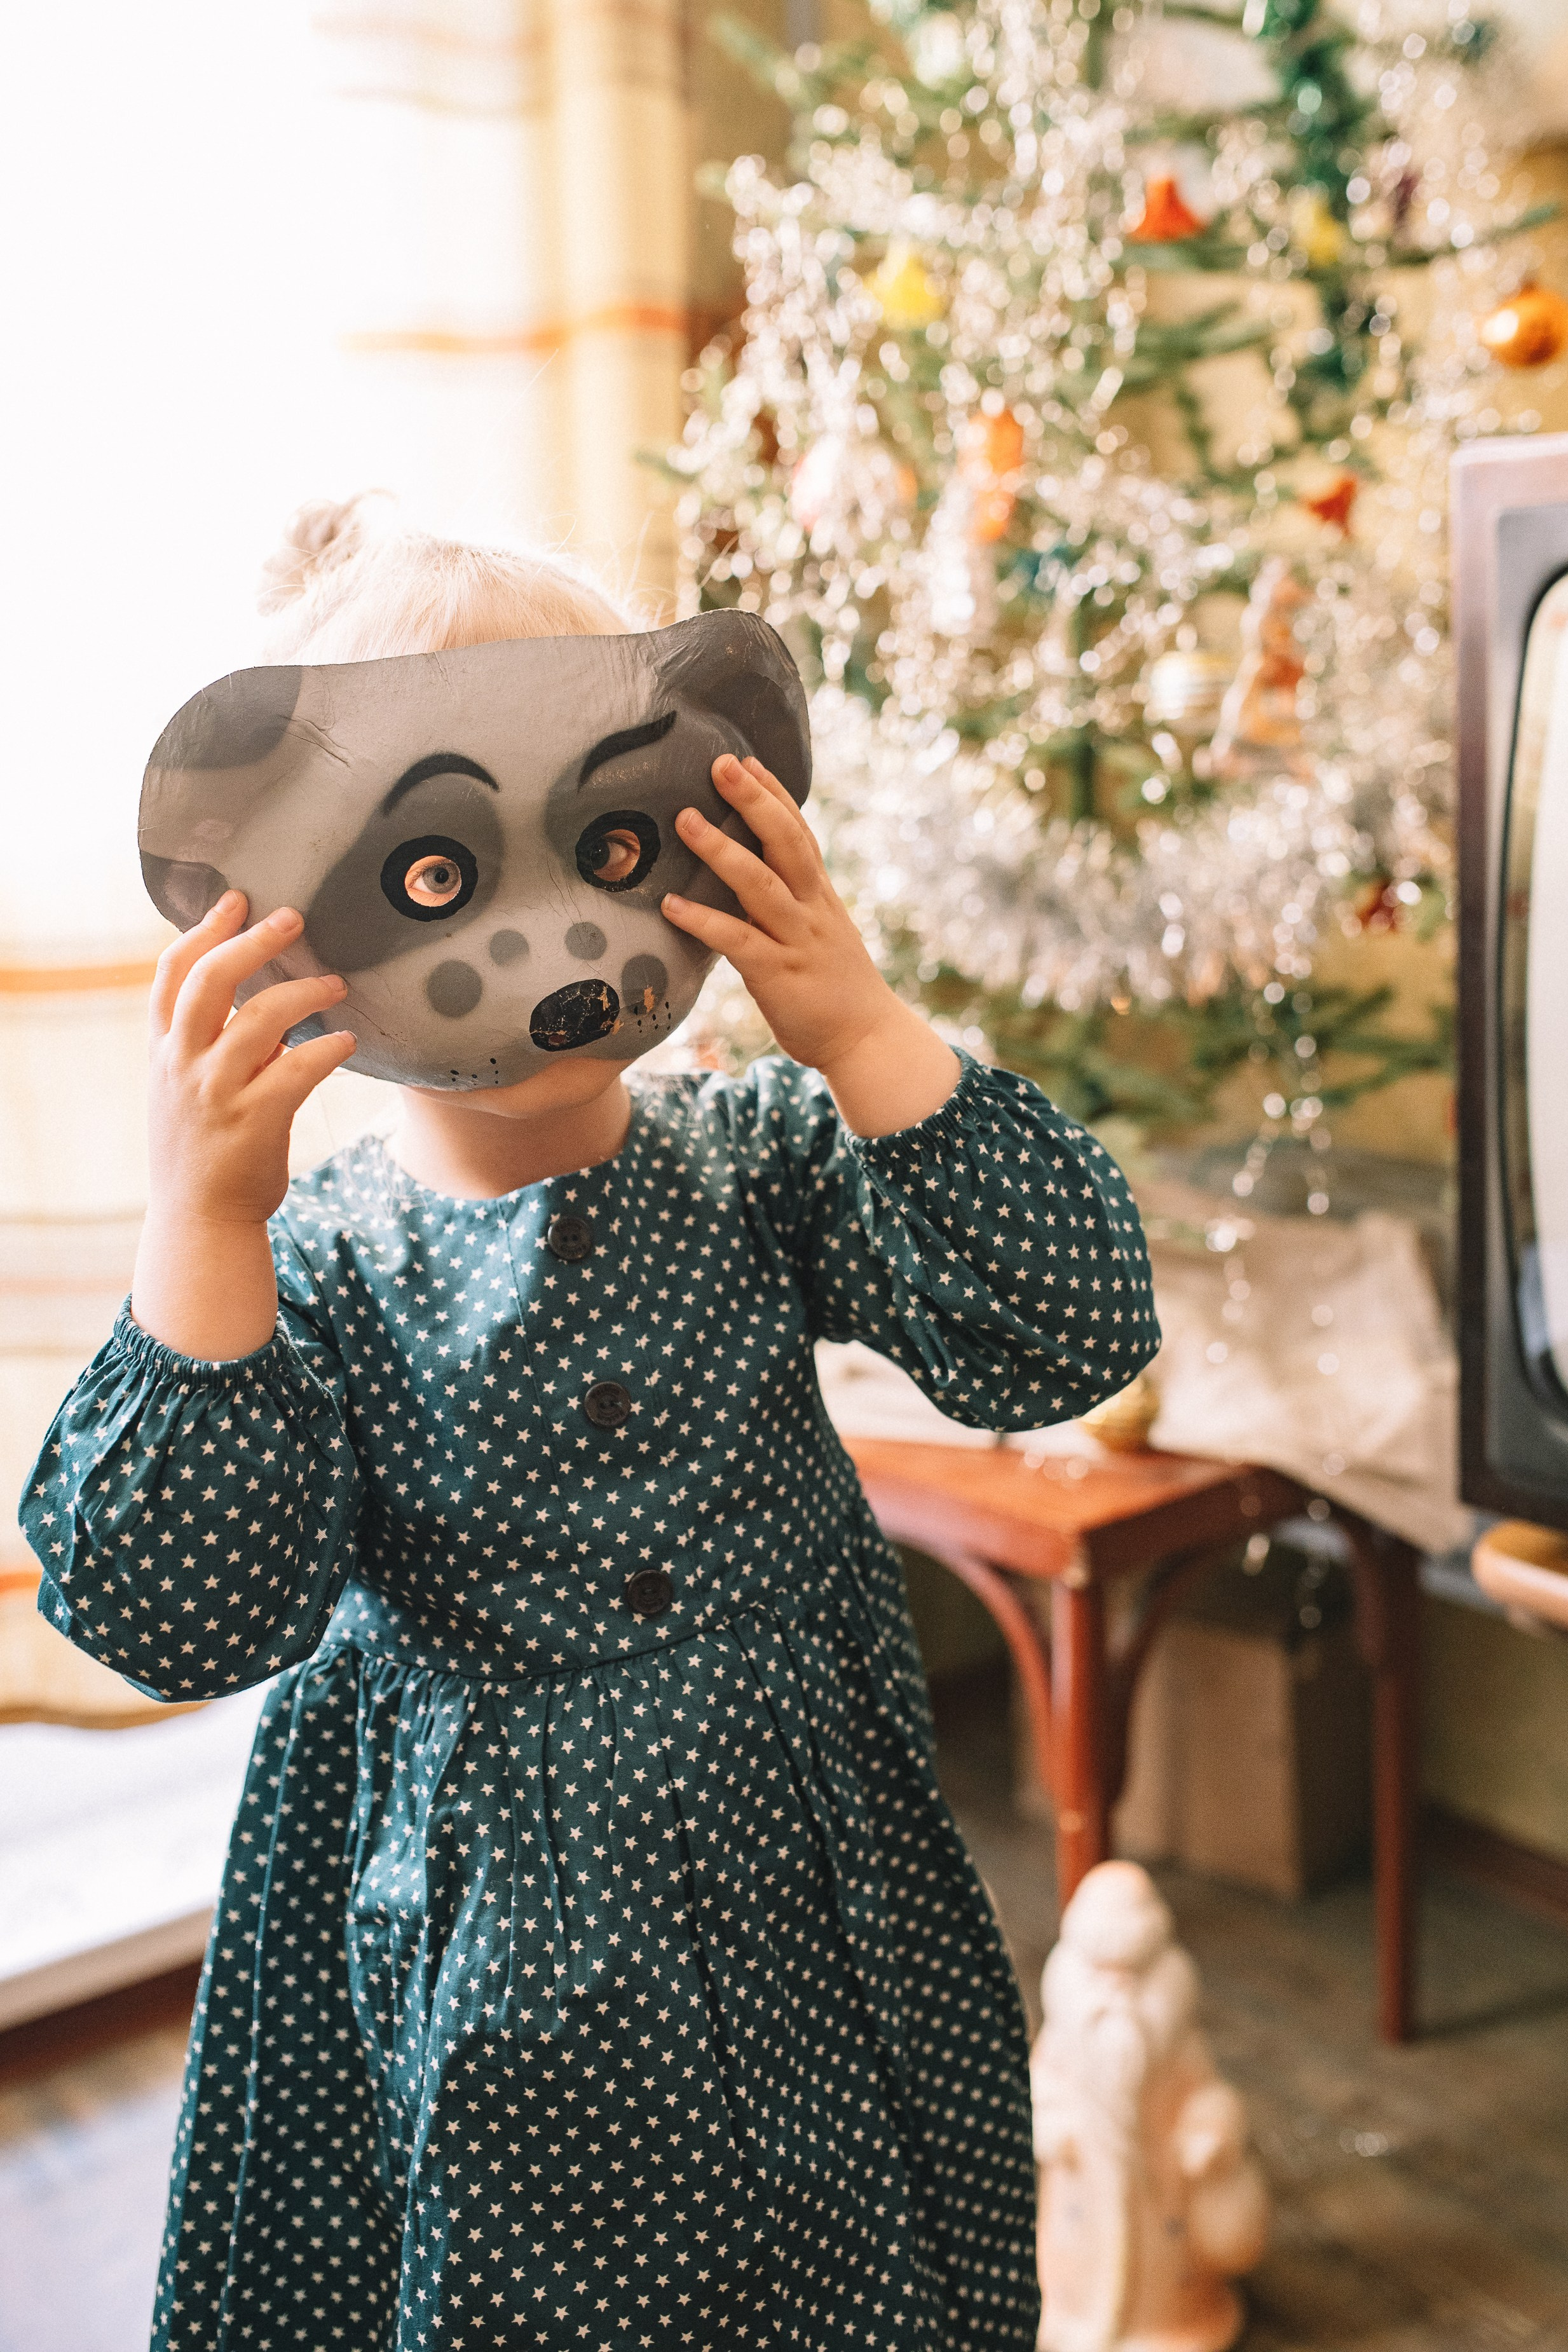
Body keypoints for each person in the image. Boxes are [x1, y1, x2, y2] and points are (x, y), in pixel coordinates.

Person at [22, 498, 1160, 2352]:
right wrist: (200, 1219)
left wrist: (858, 1023)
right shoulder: (311, 1274)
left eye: (610, 839)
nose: (551, 928)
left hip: (819, 1940)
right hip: (486, 1990)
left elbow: (1067, 1325)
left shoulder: (763, 1160)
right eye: (438, 872)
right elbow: (174, 1613)